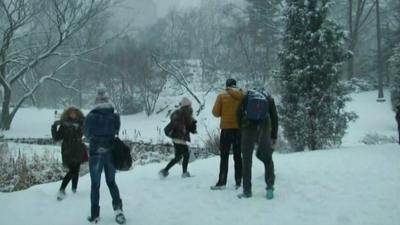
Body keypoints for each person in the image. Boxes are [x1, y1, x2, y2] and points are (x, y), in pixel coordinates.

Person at [84, 87, 126, 224]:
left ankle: (95, 216)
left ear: (96, 102)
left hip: (96, 152)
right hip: (110, 152)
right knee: (112, 182)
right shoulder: (114, 116)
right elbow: (116, 130)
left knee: (95, 185)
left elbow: (87, 134)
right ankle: (119, 211)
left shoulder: (90, 116)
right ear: (108, 101)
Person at [237, 88, 278, 199]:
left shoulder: (246, 96)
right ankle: (270, 188)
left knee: (246, 160)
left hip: (248, 129)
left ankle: (247, 191)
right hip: (264, 129)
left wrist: (241, 129)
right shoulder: (269, 98)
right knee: (268, 158)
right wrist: (273, 135)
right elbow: (274, 117)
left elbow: (238, 113)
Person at [210, 78, 243, 190]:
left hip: (226, 131)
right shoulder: (242, 95)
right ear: (235, 85)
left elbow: (215, 113)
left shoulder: (222, 96)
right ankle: (239, 181)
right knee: (238, 156)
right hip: (239, 130)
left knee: (224, 157)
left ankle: (222, 182)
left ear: (227, 85)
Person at [51, 106, 85, 201]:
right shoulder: (64, 125)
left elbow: (83, 134)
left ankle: (74, 190)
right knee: (72, 170)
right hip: (68, 150)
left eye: (75, 113)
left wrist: (81, 125)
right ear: (68, 114)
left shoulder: (81, 124)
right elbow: (56, 138)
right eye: (71, 113)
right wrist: (54, 127)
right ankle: (62, 189)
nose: (73, 114)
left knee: (76, 170)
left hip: (78, 149)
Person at [159, 97, 197, 178]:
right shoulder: (185, 114)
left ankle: (165, 171)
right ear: (187, 106)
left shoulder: (177, 113)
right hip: (181, 138)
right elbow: (188, 126)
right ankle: (184, 173)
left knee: (178, 157)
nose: (191, 107)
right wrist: (192, 126)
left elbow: (180, 125)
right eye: (190, 105)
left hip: (175, 138)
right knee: (186, 155)